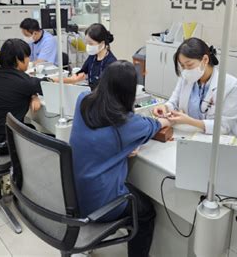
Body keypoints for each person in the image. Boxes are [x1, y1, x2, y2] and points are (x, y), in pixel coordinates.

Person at [69, 61, 171, 257]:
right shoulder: (125, 123)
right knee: (146, 212)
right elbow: (154, 125)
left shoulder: (83, 100)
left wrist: (121, 148)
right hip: (100, 205)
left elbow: (97, 141)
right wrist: (167, 119)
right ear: (130, 93)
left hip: (72, 195)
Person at [153, 37, 237, 137]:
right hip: (189, 134)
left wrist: (190, 121)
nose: (186, 70)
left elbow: (224, 127)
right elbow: (174, 102)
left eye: (189, 64)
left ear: (205, 60)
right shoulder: (186, 77)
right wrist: (165, 107)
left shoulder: (231, 85)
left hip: (218, 140)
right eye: (182, 66)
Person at [0, 39, 44, 149]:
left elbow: (28, 87)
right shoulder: (24, 82)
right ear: (19, 59)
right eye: (28, 56)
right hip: (8, 140)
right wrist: (71, 80)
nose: (29, 60)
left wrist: (33, 95)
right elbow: (45, 85)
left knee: (31, 128)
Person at [55, 23, 116, 89]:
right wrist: (55, 80)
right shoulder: (93, 57)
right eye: (87, 43)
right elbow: (80, 74)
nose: (88, 46)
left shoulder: (111, 63)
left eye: (91, 43)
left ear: (102, 43)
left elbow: (104, 89)